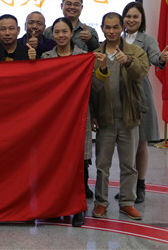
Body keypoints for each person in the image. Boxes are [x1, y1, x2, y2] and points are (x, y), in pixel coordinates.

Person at [41, 17, 109, 227]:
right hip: (54, 119)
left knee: (79, 164)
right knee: (54, 163)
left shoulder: (83, 56)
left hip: (78, 117)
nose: (61, 35)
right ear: (52, 34)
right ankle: (54, 206)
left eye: (65, 31)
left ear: (72, 33)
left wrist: (102, 69)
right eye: (57, 32)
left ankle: (79, 208)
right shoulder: (45, 57)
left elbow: (95, 88)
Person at [90, 12, 149, 221]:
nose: (112, 31)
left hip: (128, 117)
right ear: (102, 28)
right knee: (102, 165)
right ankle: (100, 202)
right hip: (105, 118)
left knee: (129, 165)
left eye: (116, 27)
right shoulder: (95, 55)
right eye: (107, 27)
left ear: (122, 27)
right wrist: (93, 115)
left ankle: (127, 203)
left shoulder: (135, 51)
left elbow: (141, 73)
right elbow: (92, 89)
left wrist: (128, 61)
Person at [121, 1, 168, 203]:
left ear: (141, 20)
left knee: (141, 142)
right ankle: (127, 186)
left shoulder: (148, 40)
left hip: (140, 94)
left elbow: (156, 58)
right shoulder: (117, 38)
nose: (131, 20)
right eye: (128, 16)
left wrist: (162, 58)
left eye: (135, 16)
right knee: (125, 144)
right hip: (119, 94)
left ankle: (140, 185)